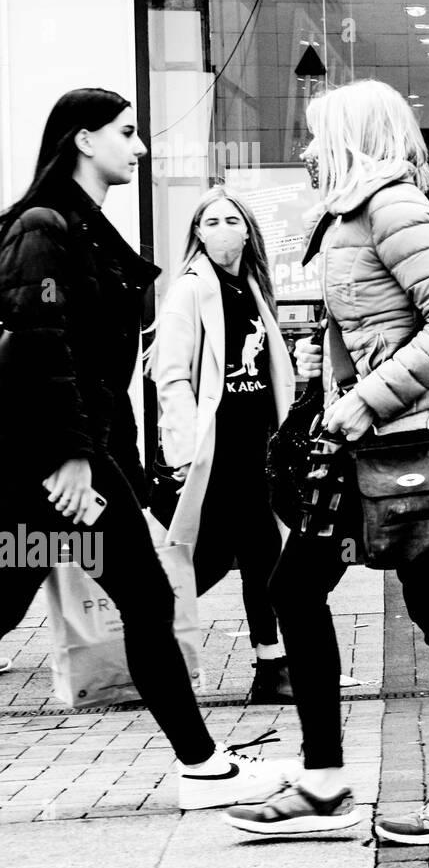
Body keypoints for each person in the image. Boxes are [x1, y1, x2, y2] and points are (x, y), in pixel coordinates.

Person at [225, 79, 429, 843]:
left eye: (317, 135)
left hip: (394, 441)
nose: (307, 149)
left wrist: (367, 399)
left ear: (351, 136)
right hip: (363, 446)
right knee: (319, 591)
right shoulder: (353, 213)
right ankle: (330, 783)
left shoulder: (393, 207)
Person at [0, 89, 289, 810]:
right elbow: (38, 343)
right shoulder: (44, 227)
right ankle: (201, 765)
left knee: (63, 600)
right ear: (82, 140)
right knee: (139, 596)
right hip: (53, 462)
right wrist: (71, 456)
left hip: (71, 459)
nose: (140, 147)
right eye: (126, 134)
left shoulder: (82, 227)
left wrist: (101, 456)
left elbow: (93, 364)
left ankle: (201, 764)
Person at [149, 186, 296, 705]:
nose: (220, 230)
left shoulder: (252, 287)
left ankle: (149, 635)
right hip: (217, 448)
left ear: (248, 231)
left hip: (256, 442)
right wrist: (186, 452)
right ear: (196, 234)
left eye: (231, 220)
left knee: (229, 554)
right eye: (209, 222)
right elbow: (170, 376)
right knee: (252, 552)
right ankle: (268, 665)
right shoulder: (190, 290)